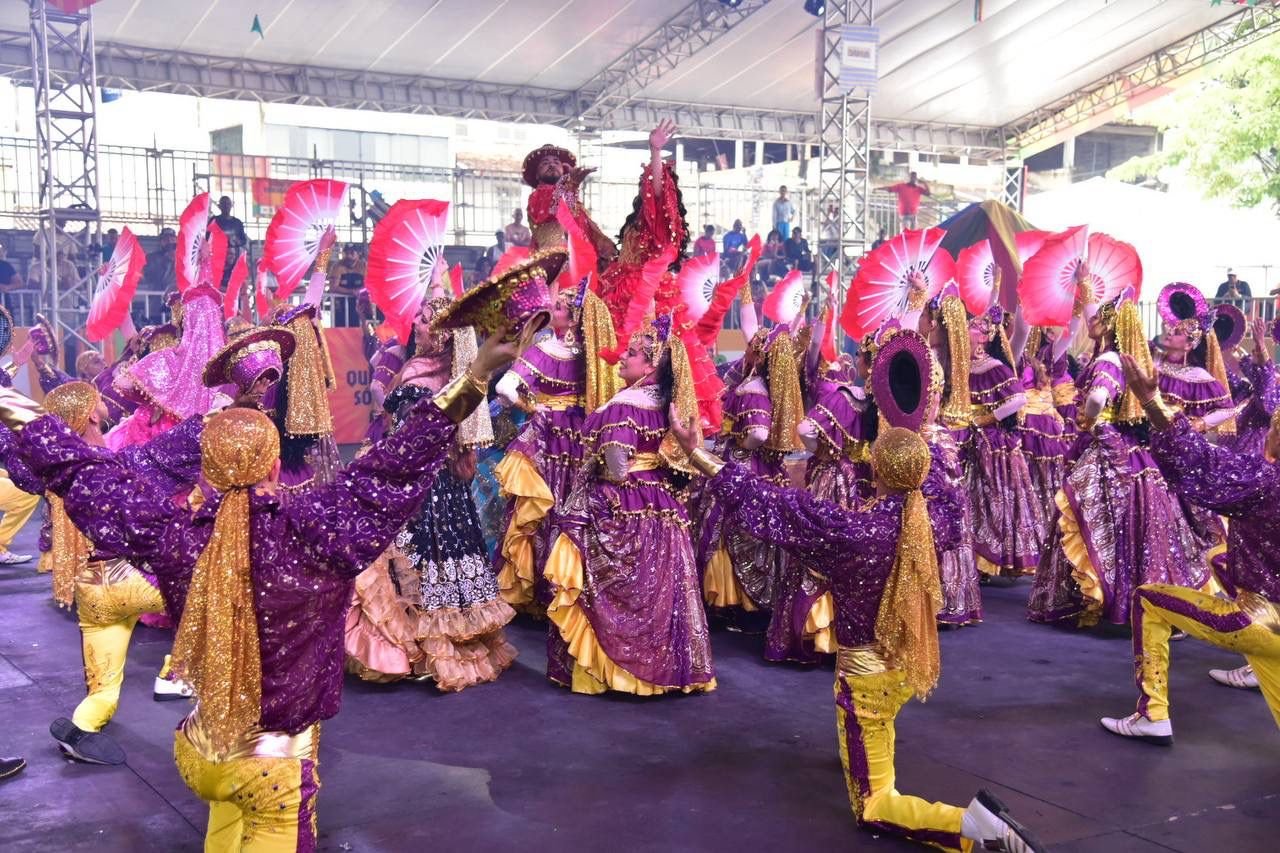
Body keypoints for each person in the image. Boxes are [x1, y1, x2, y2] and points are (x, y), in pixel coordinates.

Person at [0, 319, 529, 851]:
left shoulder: (172, 533)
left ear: (203, 467)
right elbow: (394, 464)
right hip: (272, 769)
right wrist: (476, 373)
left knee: (223, 833)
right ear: (275, 462)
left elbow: (80, 471)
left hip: (199, 751)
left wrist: (8, 400)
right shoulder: (319, 528)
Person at [668, 333, 1044, 853]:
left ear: (875, 469)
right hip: (906, 666)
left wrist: (699, 456)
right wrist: (918, 426)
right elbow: (942, 488)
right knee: (875, 729)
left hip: (866, 676)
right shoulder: (935, 517)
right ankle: (878, 762)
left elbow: (768, 503)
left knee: (873, 802)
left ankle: (972, 825)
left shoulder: (853, 531)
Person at [1, 381, 201, 765]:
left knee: (101, 692)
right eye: (96, 400)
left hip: (92, 588)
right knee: (221, 598)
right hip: (140, 579)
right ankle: (177, 676)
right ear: (92, 414)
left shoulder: (56, 472)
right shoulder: (119, 461)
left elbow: (14, 446)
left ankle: (83, 728)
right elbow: (182, 446)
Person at [1098, 353, 1280, 741]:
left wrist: (1152, 403)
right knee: (1216, 555)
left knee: (1148, 598)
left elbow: (1204, 464)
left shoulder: (1265, 482)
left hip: (1260, 620)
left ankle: (1153, 714)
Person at [346, 285, 516, 691]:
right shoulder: (420, 367)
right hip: (420, 478)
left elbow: (420, 433)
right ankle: (410, 649)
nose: (416, 324)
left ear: (441, 333)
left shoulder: (436, 377)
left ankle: (422, 651)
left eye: (424, 319)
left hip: (423, 483)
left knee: (415, 558)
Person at [543, 314, 716, 695]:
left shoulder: (624, 405)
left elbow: (619, 467)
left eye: (632, 354)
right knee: (660, 588)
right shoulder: (666, 404)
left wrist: (595, 474)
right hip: (663, 503)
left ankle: (614, 671)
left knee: (614, 589)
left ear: (652, 365)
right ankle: (664, 671)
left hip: (623, 499)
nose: (622, 358)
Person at [1027, 292, 1215, 627]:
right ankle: (1132, 603)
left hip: (1107, 448)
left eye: (1099, 316)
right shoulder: (1121, 356)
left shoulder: (1109, 359)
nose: (1092, 320)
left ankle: (1101, 600)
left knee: (1094, 520)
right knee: (1126, 529)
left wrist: (1089, 418)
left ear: (1112, 324)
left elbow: (1099, 396)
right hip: (1129, 451)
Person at [965, 307, 1043, 577]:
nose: (967, 332)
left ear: (985, 337)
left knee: (992, 501)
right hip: (967, 439)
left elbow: (1019, 399)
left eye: (973, 329)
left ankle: (992, 560)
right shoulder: (959, 367)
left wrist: (988, 419)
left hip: (992, 444)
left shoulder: (995, 367)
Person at [142, 227, 177, 292]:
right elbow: (150, 277)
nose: (169, 241)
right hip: (157, 296)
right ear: (161, 242)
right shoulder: (151, 257)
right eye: (166, 239)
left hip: (176, 296)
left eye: (172, 238)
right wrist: (166, 260)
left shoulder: (183, 257)